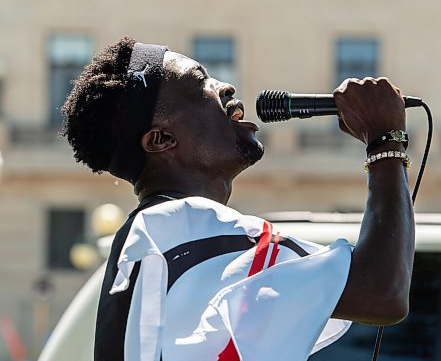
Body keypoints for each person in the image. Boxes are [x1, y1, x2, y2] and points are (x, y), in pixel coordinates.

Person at [61, 38, 414, 361]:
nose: (225, 86)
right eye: (200, 82)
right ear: (161, 139)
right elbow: (381, 292)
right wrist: (386, 141)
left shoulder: (155, 233)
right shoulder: (183, 223)